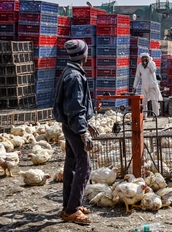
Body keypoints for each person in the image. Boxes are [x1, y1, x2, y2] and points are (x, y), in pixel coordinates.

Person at [53, 39, 99, 225]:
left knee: (72, 163)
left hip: (70, 124)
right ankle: (72, 209)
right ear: (83, 55)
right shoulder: (74, 77)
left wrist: (86, 123)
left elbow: (75, 106)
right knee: (85, 166)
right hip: (73, 125)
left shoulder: (70, 72)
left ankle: (68, 206)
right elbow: (74, 107)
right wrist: (82, 130)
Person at [132, 53, 163, 118]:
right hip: (144, 86)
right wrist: (134, 87)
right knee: (144, 102)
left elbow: (153, 70)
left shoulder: (152, 63)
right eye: (142, 58)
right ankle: (144, 116)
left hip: (152, 86)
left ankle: (156, 115)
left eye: (145, 58)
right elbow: (137, 77)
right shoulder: (140, 66)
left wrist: (149, 63)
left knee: (154, 100)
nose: (144, 59)